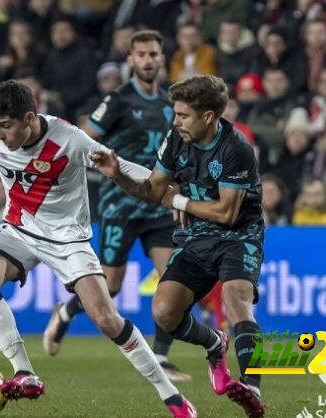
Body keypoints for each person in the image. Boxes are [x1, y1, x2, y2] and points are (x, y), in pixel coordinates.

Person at [0, 80, 196, 417]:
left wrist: (165, 187)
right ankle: (24, 371)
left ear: (30, 118)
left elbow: (118, 165)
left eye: (7, 127)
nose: (0, 135)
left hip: (68, 240)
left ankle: (173, 398)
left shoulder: (69, 140)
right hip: (19, 230)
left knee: (107, 319)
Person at [91, 75, 267, 418]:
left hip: (239, 236)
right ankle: (214, 343)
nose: (175, 122)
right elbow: (154, 190)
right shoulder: (176, 139)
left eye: (183, 115)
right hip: (196, 236)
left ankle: (252, 387)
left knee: (236, 300)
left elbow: (228, 213)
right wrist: (117, 175)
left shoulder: (236, 148)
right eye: (175, 114)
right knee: (164, 313)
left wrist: (181, 201)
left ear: (208, 117)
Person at [42, 29, 190, 382]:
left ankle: (161, 357)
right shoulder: (118, 100)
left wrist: (179, 190)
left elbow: (176, 152)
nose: (148, 61)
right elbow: (83, 139)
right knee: (109, 287)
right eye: (141, 55)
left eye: (154, 54)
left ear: (161, 58)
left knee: (174, 281)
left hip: (156, 205)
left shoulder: (172, 104)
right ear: (130, 60)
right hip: (119, 205)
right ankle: (65, 312)